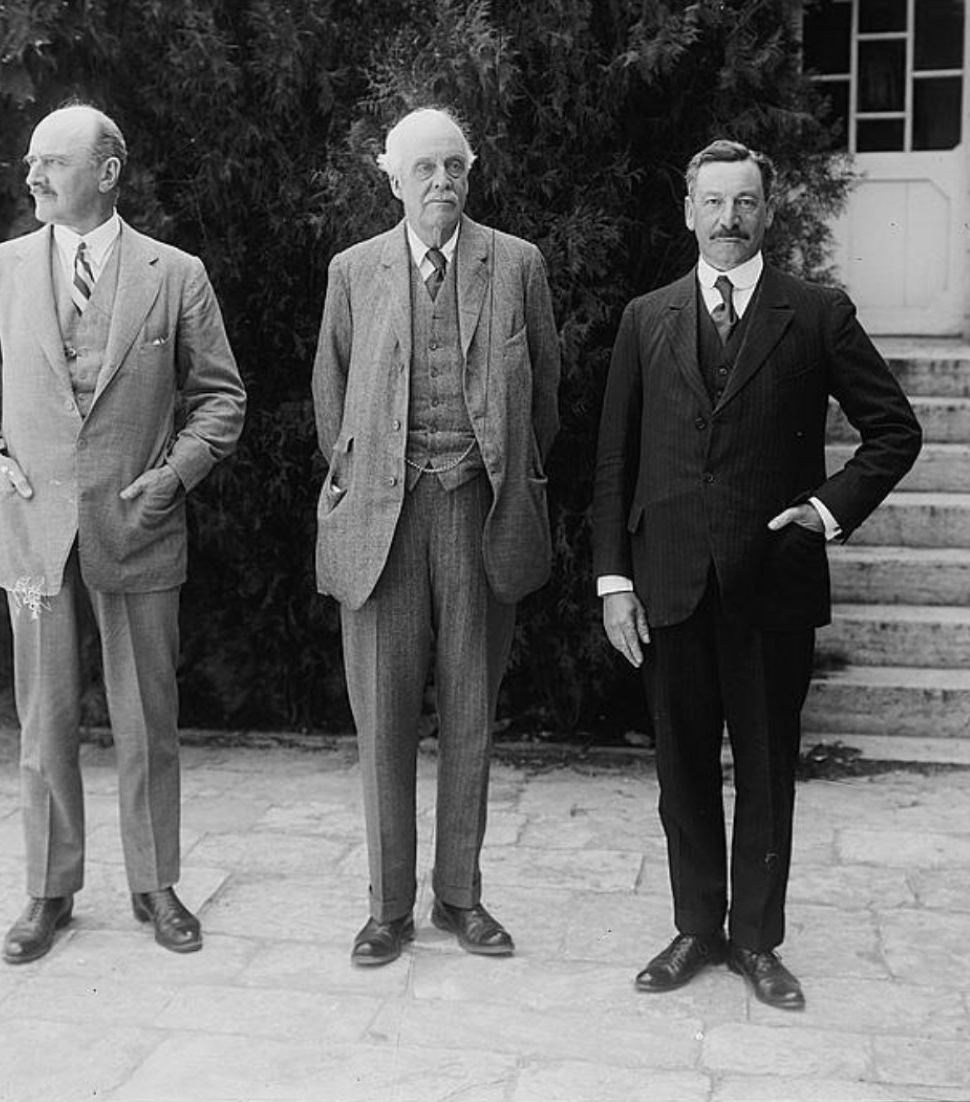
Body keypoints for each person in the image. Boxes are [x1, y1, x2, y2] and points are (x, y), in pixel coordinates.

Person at [593, 139, 920, 1010]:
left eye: (745, 203)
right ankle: (697, 928)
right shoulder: (646, 317)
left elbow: (895, 431)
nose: (728, 219)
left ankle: (756, 942)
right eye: (713, 203)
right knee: (682, 771)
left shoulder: (815, 313)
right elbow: (613, 463)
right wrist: (612, 582)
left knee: (768, 772)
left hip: (772, 586)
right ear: (688, 212)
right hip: (669, 585)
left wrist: (823, 510)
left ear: (767, 213)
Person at [0, 103, 246, 964]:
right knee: (42, 717)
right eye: (31, 162)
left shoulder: (174, 273)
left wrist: (174, 475)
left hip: (140, 524)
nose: (32, 176)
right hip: (33, 528)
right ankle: (49, 889)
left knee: (148, 715)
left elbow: (222, 398)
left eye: (52, 162)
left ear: (107, 172)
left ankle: (156, 885)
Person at [312, 107, 560, 966]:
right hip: (381, 521)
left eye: (454, 165)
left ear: (473, 170)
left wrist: (491, 474)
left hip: (479, 516)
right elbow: (331, 401)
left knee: (470, 715)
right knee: (381, 718)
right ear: (392, 179)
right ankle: (387, 908)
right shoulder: (354, 271)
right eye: (424, 168)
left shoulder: (517, 264)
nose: (442, 183)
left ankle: (461, 897)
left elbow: (546, 403)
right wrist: (377, 478)